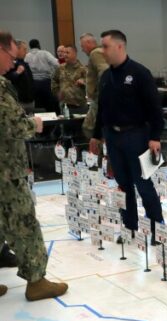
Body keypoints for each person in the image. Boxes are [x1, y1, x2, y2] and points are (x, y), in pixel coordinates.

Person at [0, 30, 68, 301]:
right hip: (6, 170)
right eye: (10, 56)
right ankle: (37, 281)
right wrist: (33, 124)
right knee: (24, 222)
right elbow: (12, 124)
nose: (12, 64)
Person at [89, 30, 164, 242]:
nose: (102, 51)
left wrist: (155, 137)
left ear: (119, 46)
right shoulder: (105, 76)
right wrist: (96, 135)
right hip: (113, 138)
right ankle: (129, 228)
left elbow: (155, 108)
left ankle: (158, 229)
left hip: (138, 136)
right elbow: (101, 108)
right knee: (122, 185)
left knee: (143, 184)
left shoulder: (140, 73)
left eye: (105, 46)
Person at [80, 33, 109, 139]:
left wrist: (101, 91)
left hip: (99, 98)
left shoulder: (95, 53)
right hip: (100, 97)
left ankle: (99, 152)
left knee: (88, 128)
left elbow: (104, 71)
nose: (82, 50)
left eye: (82, 46)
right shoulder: (102, 52)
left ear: (88, 43)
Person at [25, 38, 59, 112]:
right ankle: (52, 122)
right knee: (49, 104)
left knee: (38, 106)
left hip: (34, 84)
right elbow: (56, 64)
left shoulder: (27, 56)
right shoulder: (45, 53)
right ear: (38, 45)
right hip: (46, 82)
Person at [51, 45, 87, 114]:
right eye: (64, 53)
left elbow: (91, 83)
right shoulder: (60, 68)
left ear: (75, 54)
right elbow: (54, 80)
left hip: (79, 106)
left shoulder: (83, 69)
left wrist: (84, 81)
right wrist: (57, 92)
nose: (64, 55)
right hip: (64, 105)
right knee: (66, 124)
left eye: (67, 53)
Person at [5, 40, 35, 114]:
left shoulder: (25, 63)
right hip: (18, 102)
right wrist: (17, 73)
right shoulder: (10, 63)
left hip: (30, 101)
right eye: (24, 49)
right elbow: (5, 79)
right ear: (17, 49)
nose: (26, 52)